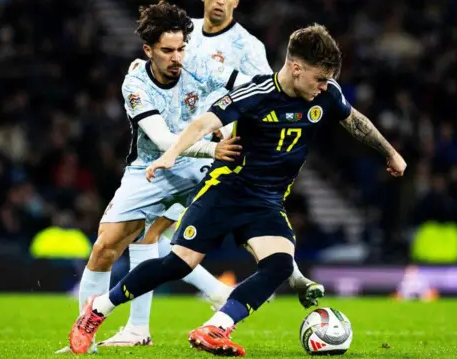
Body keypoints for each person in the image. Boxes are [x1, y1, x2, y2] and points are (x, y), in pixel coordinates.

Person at [68, 23, 407, 355]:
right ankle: (99, 308)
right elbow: (204, 123)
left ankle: (216, 327)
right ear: (295, 67)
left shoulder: (326, 94)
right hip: (226, 191)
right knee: (179, 263)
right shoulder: (257, 94)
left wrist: (390, 153)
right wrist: (171, 154)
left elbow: (355, 120)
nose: (323, 87)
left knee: (278, 264)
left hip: (267, 201)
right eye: (319, 78)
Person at [99, 0, 325, 348]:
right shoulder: (184, 31)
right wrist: (141, 71)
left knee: (160, 237)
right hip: (174, 146)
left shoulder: (248, 46)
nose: (219, 1)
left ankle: (146, 322)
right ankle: (150, 320)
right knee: (141, 239)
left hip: (220, 149)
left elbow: (269, 92)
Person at [55, 1, 249, 354]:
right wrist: (212, 149)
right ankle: (87, 339)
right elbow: (161, 141)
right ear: (148, 50)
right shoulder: (135, 84)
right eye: (167, 51)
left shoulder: (201, 66)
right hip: (152, 165)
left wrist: (230, 129)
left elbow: (250, 91)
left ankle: (282, 276)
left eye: (180, 49)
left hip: (201, 167)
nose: (177, 57)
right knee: (105, 247)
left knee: (157, 239)